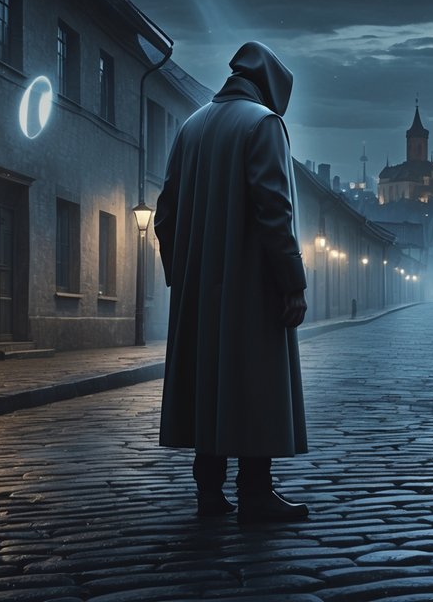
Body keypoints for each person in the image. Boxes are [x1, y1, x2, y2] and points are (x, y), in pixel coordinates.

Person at [155, 41, 309, 523]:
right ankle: (256, 494)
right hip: (252, 287)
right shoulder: (262, 124)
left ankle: (208, 494)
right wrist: (292, 280)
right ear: (269, 89)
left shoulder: (191, 126)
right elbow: (273, 210)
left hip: (200, 291)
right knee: (254, 384)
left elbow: (165, 216)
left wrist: (182, 279)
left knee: (210, 385)